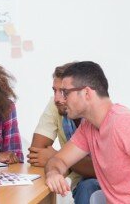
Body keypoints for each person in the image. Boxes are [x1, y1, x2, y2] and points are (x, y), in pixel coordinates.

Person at [44, 61, 130, 203]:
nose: (60, 99)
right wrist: (53, 173)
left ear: (86, 93)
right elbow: (59, 160)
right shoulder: (88, 127)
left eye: (65, 93)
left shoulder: (125, 124)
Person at [27, 63, 100, 204]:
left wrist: (58, 158)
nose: (57, 99)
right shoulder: (57, 105)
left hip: (107, 185)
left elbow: (101, 169)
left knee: (88, 186)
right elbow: (37, 153)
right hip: (79, 183)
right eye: (55, 91)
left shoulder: (99, 114)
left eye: (64, 92)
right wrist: (59, 163)